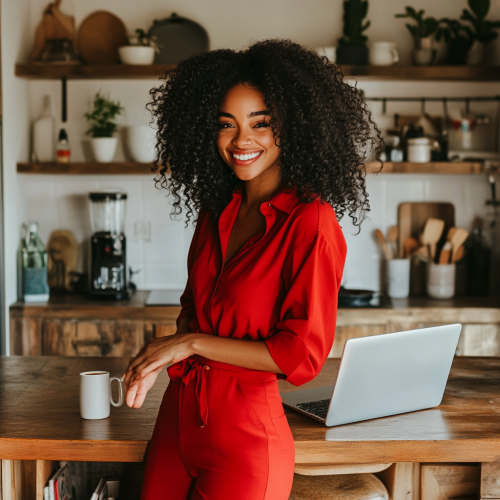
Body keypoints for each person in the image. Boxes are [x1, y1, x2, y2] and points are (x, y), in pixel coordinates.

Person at [123, 39, 381, 500]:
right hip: (176, 421)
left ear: (295, 125)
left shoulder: (309, 221)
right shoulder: (215, 207)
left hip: (244, 439)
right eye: (227, 125)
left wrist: (189, 343)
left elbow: (300, 356)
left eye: (261, 123)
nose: (241, 141)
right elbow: (191, 309)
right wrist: (172, 351)